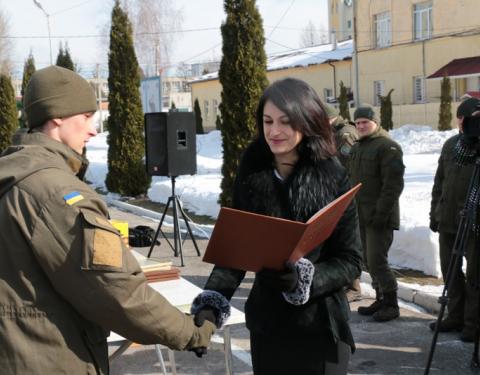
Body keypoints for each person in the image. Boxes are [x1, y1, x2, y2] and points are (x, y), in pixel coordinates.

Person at [0, 66, 216, 374]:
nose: (92, 130)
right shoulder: (55, 194)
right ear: (58, 115)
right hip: (50, 359)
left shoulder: (14, 176)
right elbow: (118, 292)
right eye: (86, 117)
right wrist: (191, 332)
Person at [190, 78, 362, 375]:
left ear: (306, 121)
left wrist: (304, 280)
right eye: (267, 121)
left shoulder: (333, 175)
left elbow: (350, 260)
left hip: (321, 329)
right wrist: (211, 305)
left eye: (285, 121)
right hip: (269, 328)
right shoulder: (251, 171)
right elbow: (234, 252)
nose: (274, 131)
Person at [429, 97, 480, 342]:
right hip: (447, 219)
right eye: (461, 117)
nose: (463, 122)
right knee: (451, 272)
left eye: (468, 117)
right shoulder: (451, 146)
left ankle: (473, 324)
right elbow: (439, 182)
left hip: (474, 223)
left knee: (475, 276)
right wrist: (434, 213)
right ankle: (455, 315)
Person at [348, 104, 405, 322]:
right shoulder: (358, 147)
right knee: (368, 261)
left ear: (375, 123)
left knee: (377, 259)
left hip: (380, 217)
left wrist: (381, 214)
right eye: (358, 123)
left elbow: (393, 186)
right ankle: (381, 298)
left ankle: (391, 304)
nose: (361, 126)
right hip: (360, 214)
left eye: (365, 122)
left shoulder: (388, 147)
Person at [324, 103, 362, 302]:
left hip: (346, 195)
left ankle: (354, 287)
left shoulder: (345, 134)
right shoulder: (333, 132)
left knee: (347, 240)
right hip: (336, 194)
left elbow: (347, 167)